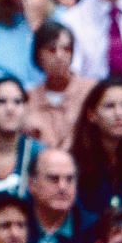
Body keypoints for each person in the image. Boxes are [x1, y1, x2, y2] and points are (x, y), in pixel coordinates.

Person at [23, 22, 93, 154]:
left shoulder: (91, 92)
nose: (60, 56)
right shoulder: (28, 99)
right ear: (38, 55)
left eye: (66, 49)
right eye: (52, 50)